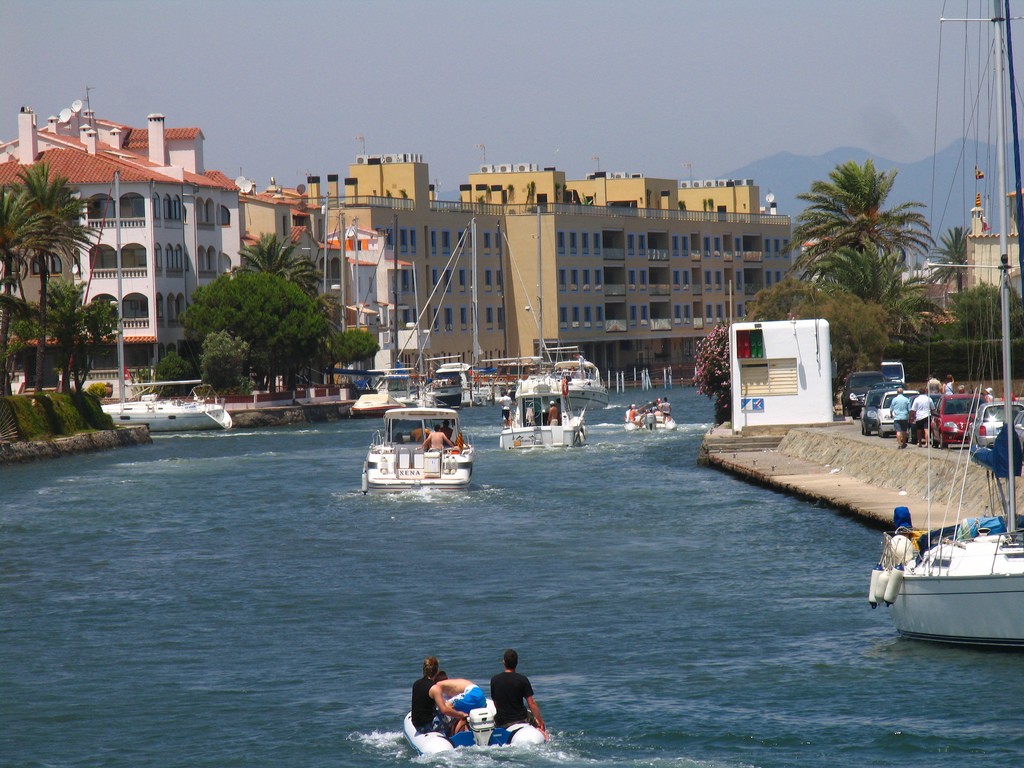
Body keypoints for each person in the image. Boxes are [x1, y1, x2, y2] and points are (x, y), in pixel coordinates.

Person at [490, 649, 545, 734]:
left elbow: (495, 703)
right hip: (521, 718)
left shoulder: (494, 680)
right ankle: (542, 733)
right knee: (535, 720)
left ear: (504, 662)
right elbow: (531, 703)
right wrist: (540, 721)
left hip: (503, 720)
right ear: (517, 663)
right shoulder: (522, 680)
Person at [411, 656, 444, 734]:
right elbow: (444, 709)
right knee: (457, 717)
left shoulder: (416, 684)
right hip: (428, 726)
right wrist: (460, 713)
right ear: (436, 671)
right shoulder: (435, 688)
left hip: (417, 725)